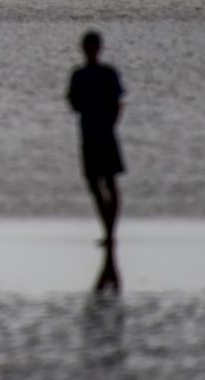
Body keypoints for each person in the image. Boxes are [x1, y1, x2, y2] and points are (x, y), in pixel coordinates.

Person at [67, 31, 125, 248]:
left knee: (110, 182)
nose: (90, 50)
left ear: (99, 48)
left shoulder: (108, 74)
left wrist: (110, 124)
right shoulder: (78, 75)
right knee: (93, 184)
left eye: (93, 46)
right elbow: (74, 105)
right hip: (88, 135)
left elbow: (118, 103)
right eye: (87, 46)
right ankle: (107, 230)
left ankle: (111, 233)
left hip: (105, 134)